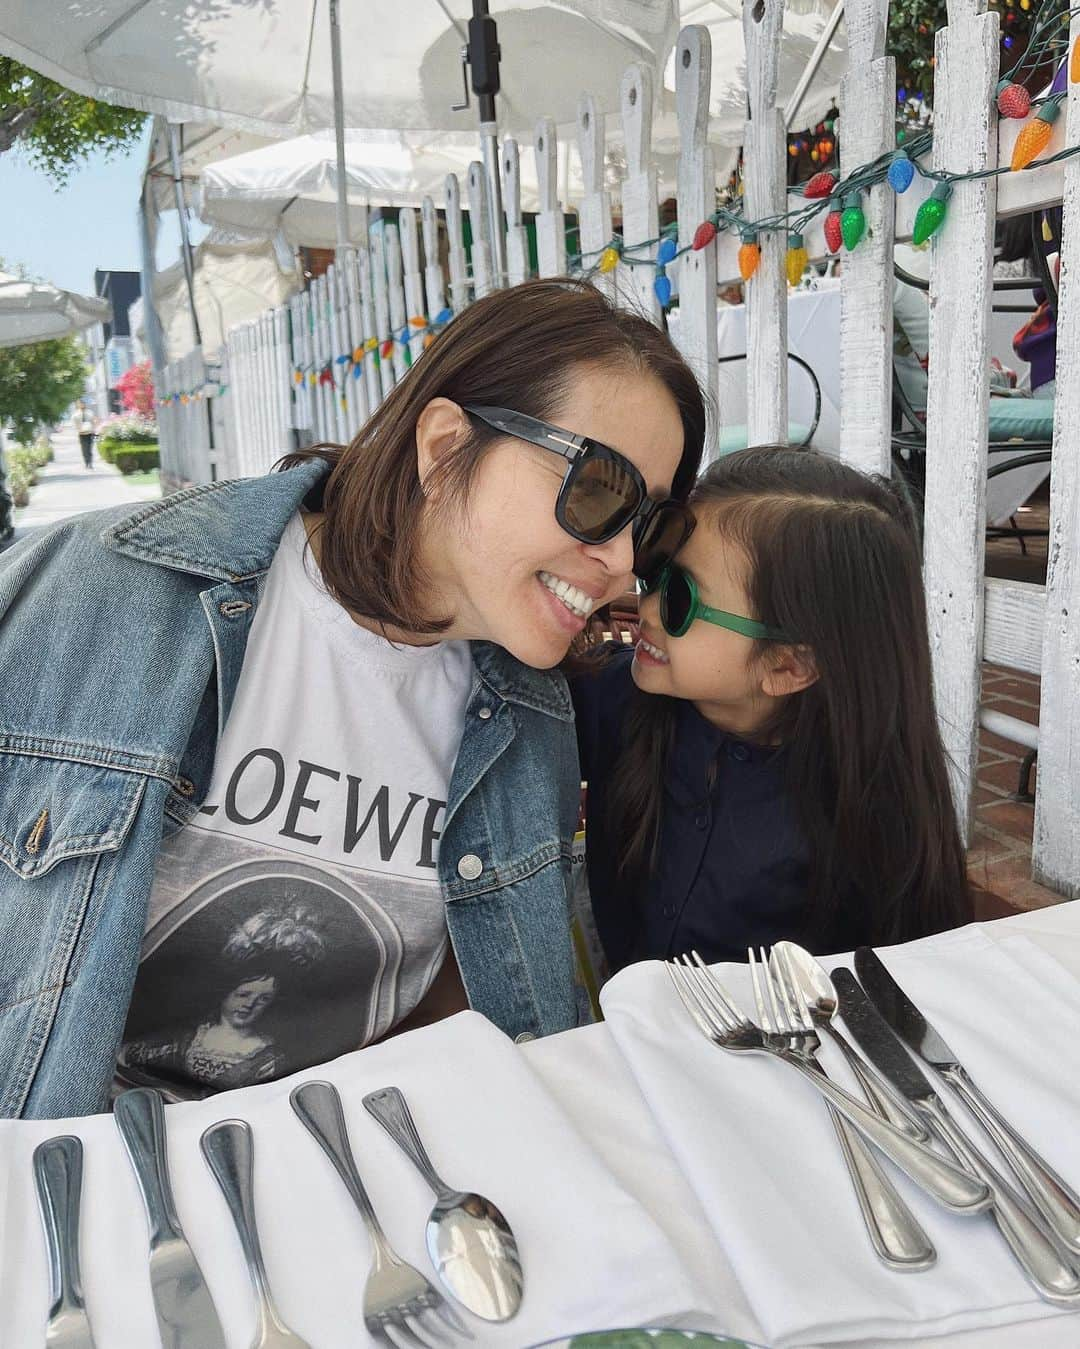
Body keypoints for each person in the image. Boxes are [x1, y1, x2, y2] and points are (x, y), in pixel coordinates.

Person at [0, 278, 705, 1117]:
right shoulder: (96, 591)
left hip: (351, 1168)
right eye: (598, 491)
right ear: (445, 446)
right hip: (76, 1183)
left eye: (650, 524)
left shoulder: (529, 716)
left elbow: (472, 995)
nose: (625, 561)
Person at [573, 445, 972, 974]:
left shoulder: (861, 805)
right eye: (656, 570)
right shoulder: (617, 698)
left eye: (678, 599)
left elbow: (896, 982)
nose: (644, 606)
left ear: (787, 666)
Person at [73, 401, 97, 468]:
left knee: (89, 449)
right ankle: (86, 462)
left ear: (85, 404)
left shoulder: (89, 412)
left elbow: (93, 421)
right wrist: (78, 429)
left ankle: (90, 463)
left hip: (90, 433)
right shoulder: (76, 414)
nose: (82, 405)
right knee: (84, 449)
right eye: (80, 404)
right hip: (82, 434)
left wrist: (94, 428)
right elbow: (75, 423)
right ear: (78, 405)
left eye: (83, 404)